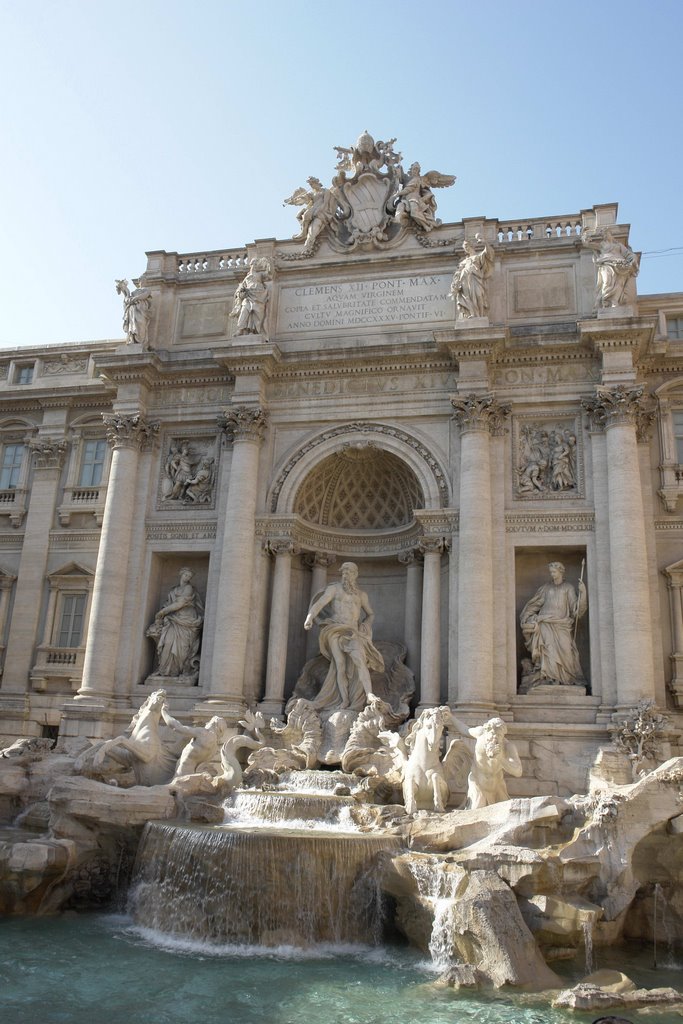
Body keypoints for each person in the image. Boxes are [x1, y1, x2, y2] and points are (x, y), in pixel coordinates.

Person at [303, 562, 384, 711]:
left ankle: (369, 694)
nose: (346, 575)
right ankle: (345, 700)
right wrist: (310, 617)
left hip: (353, 631)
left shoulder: (361, 595)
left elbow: (371, 614)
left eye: (349, 572)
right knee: (339, 664)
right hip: (335, 629)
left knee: (359, 659)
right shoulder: (334, 589)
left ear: (355, 574)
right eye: (344, 572)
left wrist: (365, 625)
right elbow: (320, 603)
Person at [520, 561, 587, 686]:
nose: (552, 574)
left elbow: (576, 610)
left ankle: (566, 679)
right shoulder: (545, 588)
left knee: (567, 650)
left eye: (554, 572)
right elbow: (535, 604)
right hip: (545, 623)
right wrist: (527, 616)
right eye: (551, 572)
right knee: (548, 650)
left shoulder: (568, 588)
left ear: (561, 572)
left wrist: (583, 594)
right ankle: (548, 678)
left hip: (562, 625)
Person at [146, 568, 204, 679]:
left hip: (187, 620)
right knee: (167, 643)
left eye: (189, 576)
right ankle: (164, 670)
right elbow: (168, 603)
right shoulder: (174, 590)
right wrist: (163, 613)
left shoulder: (189, 588)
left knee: (183, 649)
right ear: (181, 574)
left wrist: (162, 612)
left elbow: (180, 604)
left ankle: (177, 672)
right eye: (186, 575)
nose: (187, 578)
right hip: (173, 620)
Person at [583, 228, 639, 308]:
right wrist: (585, 236)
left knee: (619, 283)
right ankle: (606, 300)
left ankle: (614, 301)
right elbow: (587, 244)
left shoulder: (619, 245)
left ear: (610, 234)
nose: (605, 236)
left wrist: (633, 258)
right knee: (607, 282)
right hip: (606, 263)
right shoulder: (602, 245)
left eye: (606, 234)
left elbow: (628, 254)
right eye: (603, 235)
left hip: (620, 265)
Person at [449, 233, 494, 319]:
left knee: (479, 295)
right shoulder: (463, 262)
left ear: (472, 245)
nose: (466, 248)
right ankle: (472, 313)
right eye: (464, 247)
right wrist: (455, 285)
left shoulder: (478, 257)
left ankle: (480, 315)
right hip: (465, 280)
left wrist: (485, 243)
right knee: (467, 297)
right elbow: (457, 274)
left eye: (467, 246)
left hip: (475, 279)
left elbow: (489, 254)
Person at [230, 258, 271, 338]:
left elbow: (269, 276)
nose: (255, 266)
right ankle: (240, 329)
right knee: (244, 311)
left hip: (259, 295)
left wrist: (268, 265)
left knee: (256, 313)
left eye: (256, 265)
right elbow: (240, 289)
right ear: (251, 265)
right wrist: (240, 293)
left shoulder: (260, 274)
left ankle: (253, 330)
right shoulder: (246, 278)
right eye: (254, 264)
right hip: (248, 295)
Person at [115, 278, 153, 346]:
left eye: (144, 281)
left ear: (146, 282)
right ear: (139, 282)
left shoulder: (147, 290)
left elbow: (145, 295)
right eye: (141, 281)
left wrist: (136, 298)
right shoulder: (134, 292)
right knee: (132, 323)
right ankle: (132, 339)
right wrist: (125, 290)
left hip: (141, 309)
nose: (142, 282)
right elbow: (128, 298)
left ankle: (140, 340)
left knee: (140, 323)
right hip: (133, 309)